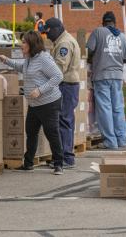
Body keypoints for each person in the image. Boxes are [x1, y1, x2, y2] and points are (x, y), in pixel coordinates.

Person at [0, 31, 64, 175]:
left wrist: (40, 90)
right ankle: (28, 163)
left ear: (31, 44)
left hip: (49, 103)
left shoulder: (43, 59)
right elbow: (22, 68)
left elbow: (58, 76)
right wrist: (7, 61)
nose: (21, 45)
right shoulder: (29, 59)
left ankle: (59, 164)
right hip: (35, 104)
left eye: (23, 42)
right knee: (31, 132)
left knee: (51, 132)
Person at [86, 11, 126, 149]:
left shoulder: (98, 32)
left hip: (102, 76)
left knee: (105, 108)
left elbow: (88, 51)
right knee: (118, 108)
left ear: (103, 22)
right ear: (115, 22)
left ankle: (110, 141)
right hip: (117, 77)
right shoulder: (122, 36)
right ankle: (122, 139)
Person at [44, 18, 81, 168]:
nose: (46, 35)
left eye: (48, 32)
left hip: (66, 86)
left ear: (56, 28)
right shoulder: (62, 40)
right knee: (63, 121)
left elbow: (59, 69)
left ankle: (66, 158)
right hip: (66, 86)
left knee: (63, 121)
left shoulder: (64, 43)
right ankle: (62, 156)